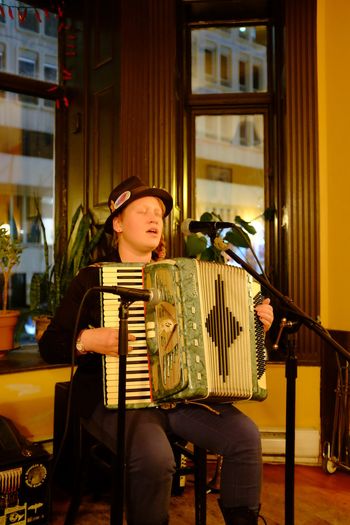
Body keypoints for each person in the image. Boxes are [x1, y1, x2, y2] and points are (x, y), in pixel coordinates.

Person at [39, 176, 274, 525]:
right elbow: (50, 345)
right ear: (118, 223)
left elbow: (218, 328)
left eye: (159, 214)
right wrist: (88, 340)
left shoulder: (182, 277)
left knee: (244, 436)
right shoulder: (92, 279)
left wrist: (256, 321)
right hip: (114, 399)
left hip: (180, 400)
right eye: (144, 211)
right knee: (155, 457)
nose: (154, 219)